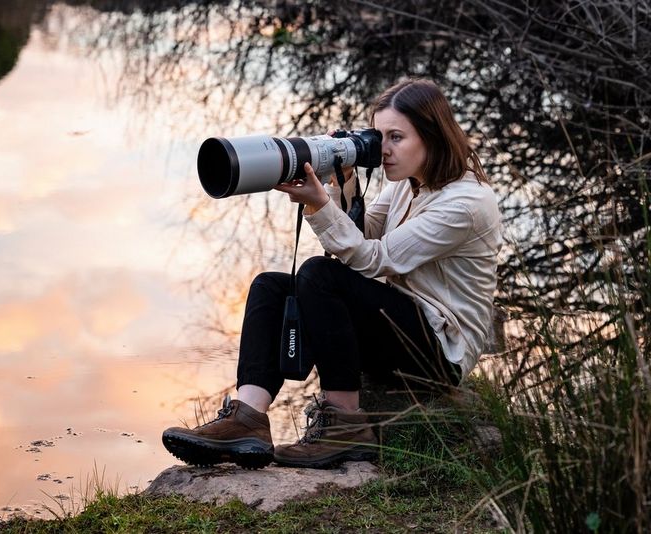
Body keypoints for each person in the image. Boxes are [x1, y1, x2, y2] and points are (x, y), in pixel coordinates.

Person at [162, 78, 502, 469]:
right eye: (378, 136)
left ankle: (345, 424)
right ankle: (247, 417)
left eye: (396, 137)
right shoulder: (410, 181)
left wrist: (319, 205)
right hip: (402, 326)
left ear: (433, 136)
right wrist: (341, 180)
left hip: (440, 351)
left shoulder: (466, 203)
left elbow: (376, 258)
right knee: (271, 287)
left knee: (319, 275)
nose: (384, 149)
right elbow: (364, 232)